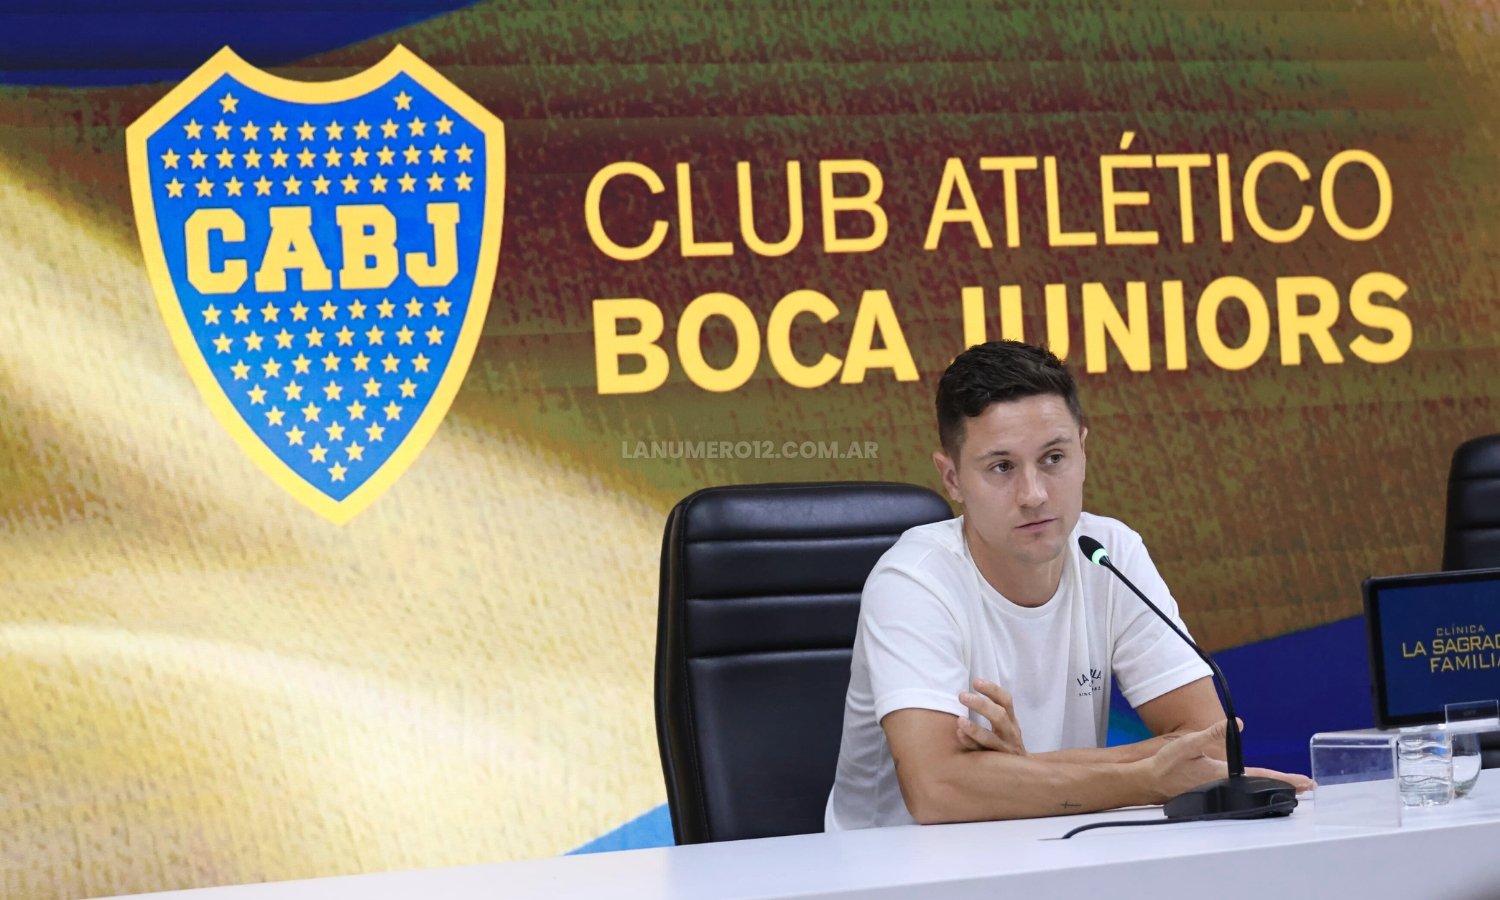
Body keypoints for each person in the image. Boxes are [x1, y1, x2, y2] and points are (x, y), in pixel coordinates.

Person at [825, 340, 1309, 830]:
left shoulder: (1108, 551)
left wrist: (1018, 772)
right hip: (894, 875)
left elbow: (1207, 740)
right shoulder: (914, 579)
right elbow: (938, 791)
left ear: (1083, 451)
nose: (1033, 494)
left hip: (1051, 848)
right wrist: (1145, 779)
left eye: (1053, 458)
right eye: (1001, 467)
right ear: (951, 479)